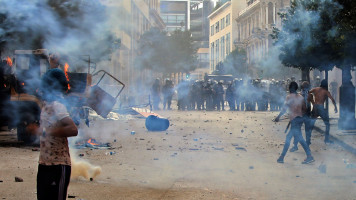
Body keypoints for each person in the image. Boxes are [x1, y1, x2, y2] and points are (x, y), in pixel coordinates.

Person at [35, 68, 78, 200]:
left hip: (58, 166)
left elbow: (73, 129)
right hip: (44, 164)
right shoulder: (46, 104)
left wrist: (46, 131)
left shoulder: (58, 106)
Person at [273, 81, 314, 164]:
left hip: (295, 121)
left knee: (298, 139)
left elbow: (285, 108)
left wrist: (278, 117)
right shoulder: (301, 97)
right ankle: (281, 157)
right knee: (292, 138)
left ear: (289, 88)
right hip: (299, 119)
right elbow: (304, 109)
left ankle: (309, 156)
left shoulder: (289, 97)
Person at [309, 79, 338, 144]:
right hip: (321, 108)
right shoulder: (326, 91)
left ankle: (308, 139)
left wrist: (311, 100)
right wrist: (335, 108)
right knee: (327, 124)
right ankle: (326, 139)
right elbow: (332, 99)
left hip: (315, 107)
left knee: (312, 124)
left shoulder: (315, 89)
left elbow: (308, 92)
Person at [290, 81, 314, 152]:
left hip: (300, 114)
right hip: (306, 114)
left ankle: (295, 145)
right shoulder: (310, 95)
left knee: (297, 130)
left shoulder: (299, 95)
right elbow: (313, 104)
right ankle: (307, 145)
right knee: (307, 130)